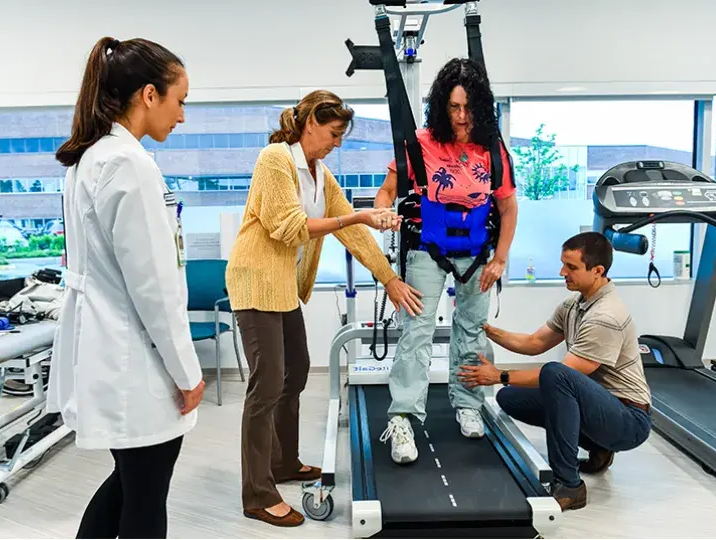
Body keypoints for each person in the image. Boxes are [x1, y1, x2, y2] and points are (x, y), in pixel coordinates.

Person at [225, 90, 424, 527]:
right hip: (255, 281)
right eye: (334, 133)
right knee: (268, 382)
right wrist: (357, 218)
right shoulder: (275, 159)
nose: (337, 142)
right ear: (311, 122)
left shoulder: (319, 174)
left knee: (295, 371)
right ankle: (257, 493)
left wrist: (389, 279)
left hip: (283, 288)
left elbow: (352, 232)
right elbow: (290, 228)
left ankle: (283, 462)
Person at [46, 36, 205, 539]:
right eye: (180, 101)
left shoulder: (92, 157)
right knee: (144, 495)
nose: (181, 117)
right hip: (134, 360)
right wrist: (187, 372)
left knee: (131, 483)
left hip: (113, 351)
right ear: (149, 95)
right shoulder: (129, 165)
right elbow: (153, 288)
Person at [374, 58, 518, 463]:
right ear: (442, 106)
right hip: (427, 249)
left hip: (477, 253)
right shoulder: (419, 143)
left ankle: (468, 404)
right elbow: (386, 192)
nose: (460, 117)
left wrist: (501, 259)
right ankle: (402, 416)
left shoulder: (493, 149)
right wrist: (384, 213)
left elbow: (508, 209)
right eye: (453, 108)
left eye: (468, 108)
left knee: (471, 330)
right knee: (416, 332)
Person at [457, 232, 652, 511]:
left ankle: (570, 486)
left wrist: (498, 375)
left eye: (571, 267)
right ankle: (599, 448)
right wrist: (488, 330)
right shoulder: (574, 304)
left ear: (597, 271)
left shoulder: (606, 316)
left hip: (628, 421)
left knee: (555, 376)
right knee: (510, 397)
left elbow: (565, 374)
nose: (562, 272)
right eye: (563, 264)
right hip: (600, 407)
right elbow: (535, 342)